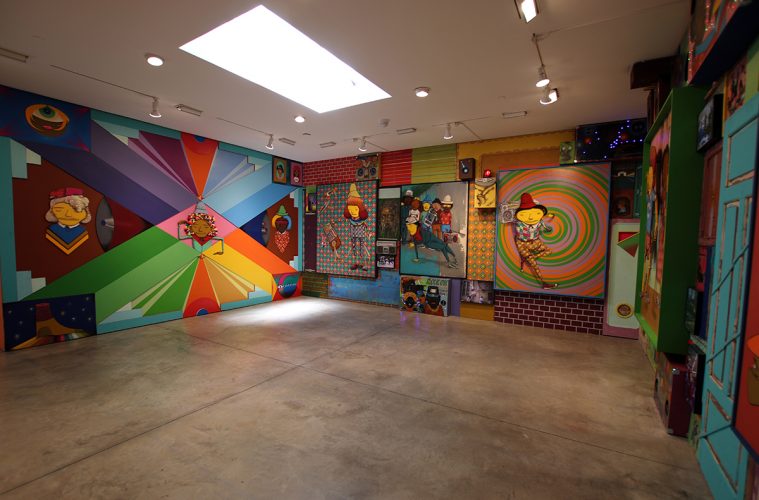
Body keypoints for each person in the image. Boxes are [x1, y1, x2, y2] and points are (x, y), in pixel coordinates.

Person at [511, 193, 557, 289]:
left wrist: (547, 224)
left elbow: (543, 222)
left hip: (536, 242)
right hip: (523, 244)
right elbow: (512, 222)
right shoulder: (519, 223)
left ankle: (530, 257)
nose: (531, 217)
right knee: (534, 265)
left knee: (548, 251)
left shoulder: (539, 221)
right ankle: (544, 283)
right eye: (524, 214)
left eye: (534, 213)